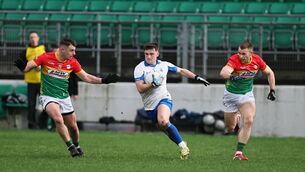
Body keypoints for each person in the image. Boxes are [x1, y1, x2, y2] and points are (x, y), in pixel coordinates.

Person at [14, 38, 119, 157]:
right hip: (48, 96)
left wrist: (104, 80)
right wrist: (24, 67)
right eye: (72, 50)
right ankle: (71, 147)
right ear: (62, 50)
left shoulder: (73, 62)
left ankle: (77, 145)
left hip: (64, 97)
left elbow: (86, 77)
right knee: (58, 119)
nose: (74, 53)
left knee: (73, 127)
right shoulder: (45, 57)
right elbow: (28, 67)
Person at [134, 43, 210, 160]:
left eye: (151, 54)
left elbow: (182, 71)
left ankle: (183, 148)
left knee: (163, 121)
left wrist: (197, 77)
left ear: (157, 54)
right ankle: (182, 144)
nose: (148, 57)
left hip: (164, 98)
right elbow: (140, 88)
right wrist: (152, 84)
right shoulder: (139, 68)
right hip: (149, 106)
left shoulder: (164, 65)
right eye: (146, 54)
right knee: (164, 127)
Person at [219, 40, 276, 161]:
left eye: (243, 54)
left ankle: (239, 152)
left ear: (251, 53)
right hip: (230, 96)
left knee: (249, 120)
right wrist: (233, 76)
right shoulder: (234, 59)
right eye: (239, 53)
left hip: (246, 95)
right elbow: (223, 72)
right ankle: (236, 117)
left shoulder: (257, 60)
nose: (240, 56)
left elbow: (270, 73)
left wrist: (272, 90)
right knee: (230, 128)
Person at [20, 31, 46, 129]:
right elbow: (20, 65)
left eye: (34, 37)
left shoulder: (43, 48)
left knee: (45, 104)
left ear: (38, 38)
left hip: (42, 81)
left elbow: (51, 61)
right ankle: (31, 124)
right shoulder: (26, 51)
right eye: (31, 37)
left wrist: (42, 66)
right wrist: (28, 67)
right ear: (29, 39)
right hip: (30, 81)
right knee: (31, 104)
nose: (33, 39)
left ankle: (42, 123)